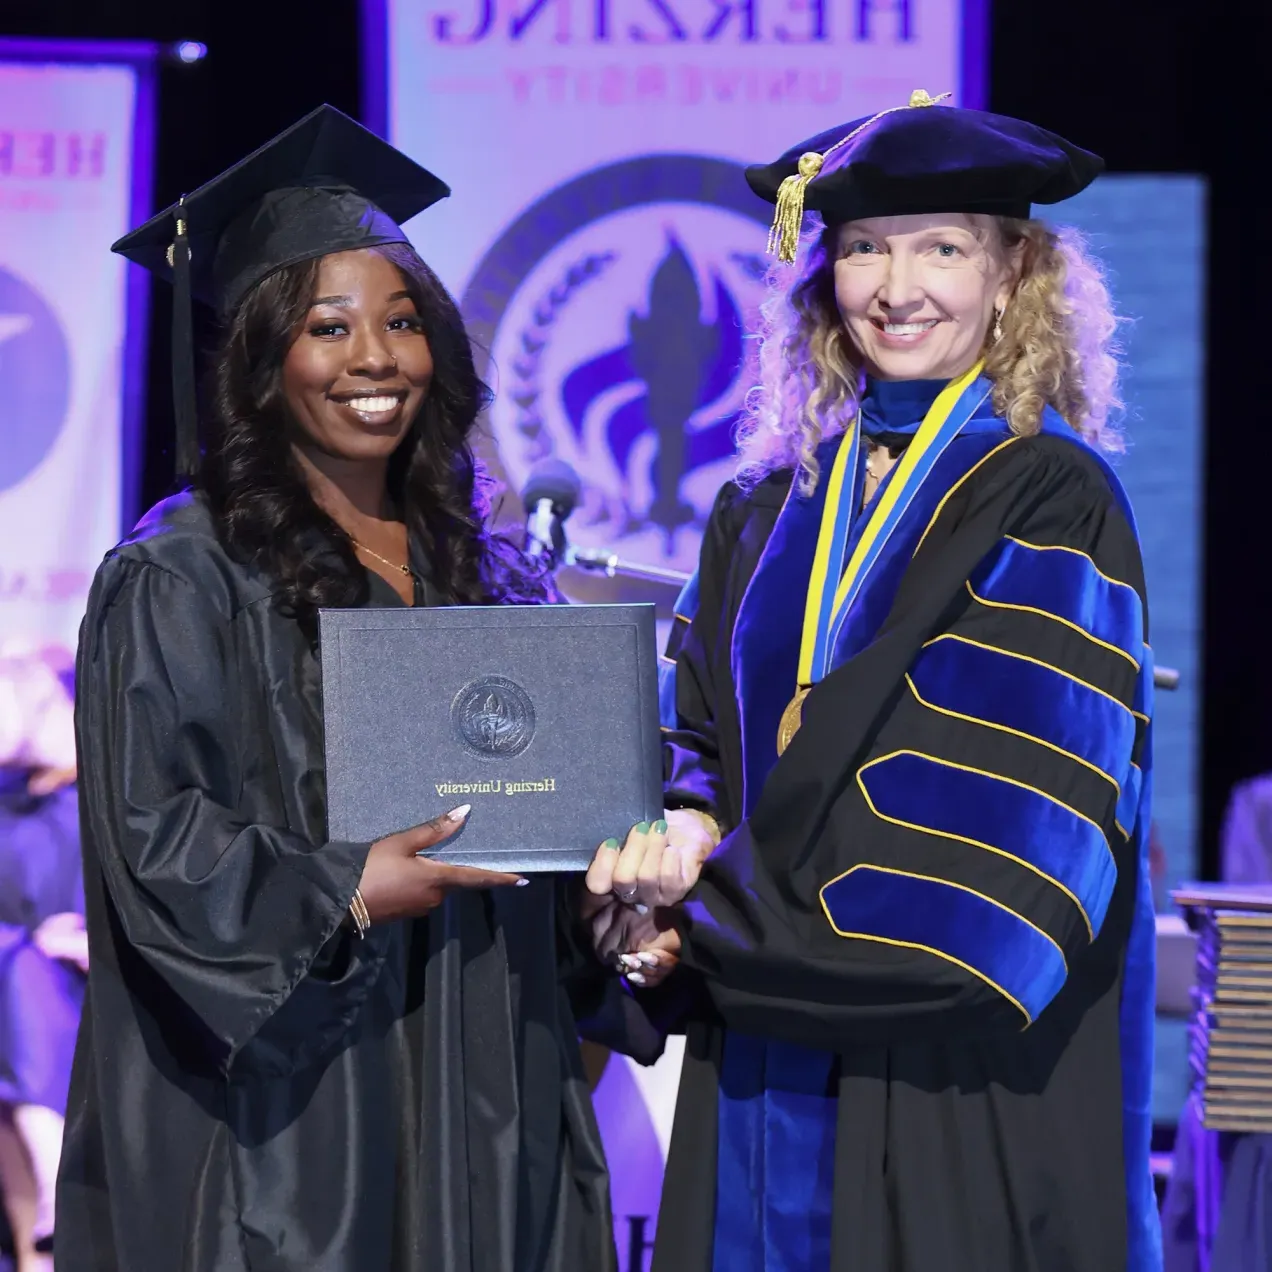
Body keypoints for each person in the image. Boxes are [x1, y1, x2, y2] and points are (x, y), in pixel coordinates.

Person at [586, 91, 1161, 1271]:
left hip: (947, 1062)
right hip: (761, 1045)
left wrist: (712, 921)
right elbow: (698, 730)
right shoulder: (762, 505)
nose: (898, 287)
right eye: (862, 249)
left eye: (942, 246)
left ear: (1012, 275)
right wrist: (678, 831)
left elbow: (1001, 805)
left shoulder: (1050, 496)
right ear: (823, 278)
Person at [57, 106, 618, 1272]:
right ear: (263, 359)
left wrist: (616, 910)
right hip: (295, 1108)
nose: (375, 359)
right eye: (329, 327)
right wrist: (346, 887)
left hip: (488, 1077)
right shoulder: (180, 576)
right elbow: (153, 844)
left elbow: (555, 835)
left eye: (403, 322)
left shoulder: (500, 577)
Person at [0, 645, 86, 1272]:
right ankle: (35, 1240)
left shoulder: (105, 794)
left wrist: (88, 941)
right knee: (17, 965)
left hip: (90, 983)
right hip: (22, 987)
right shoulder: (10, 806)